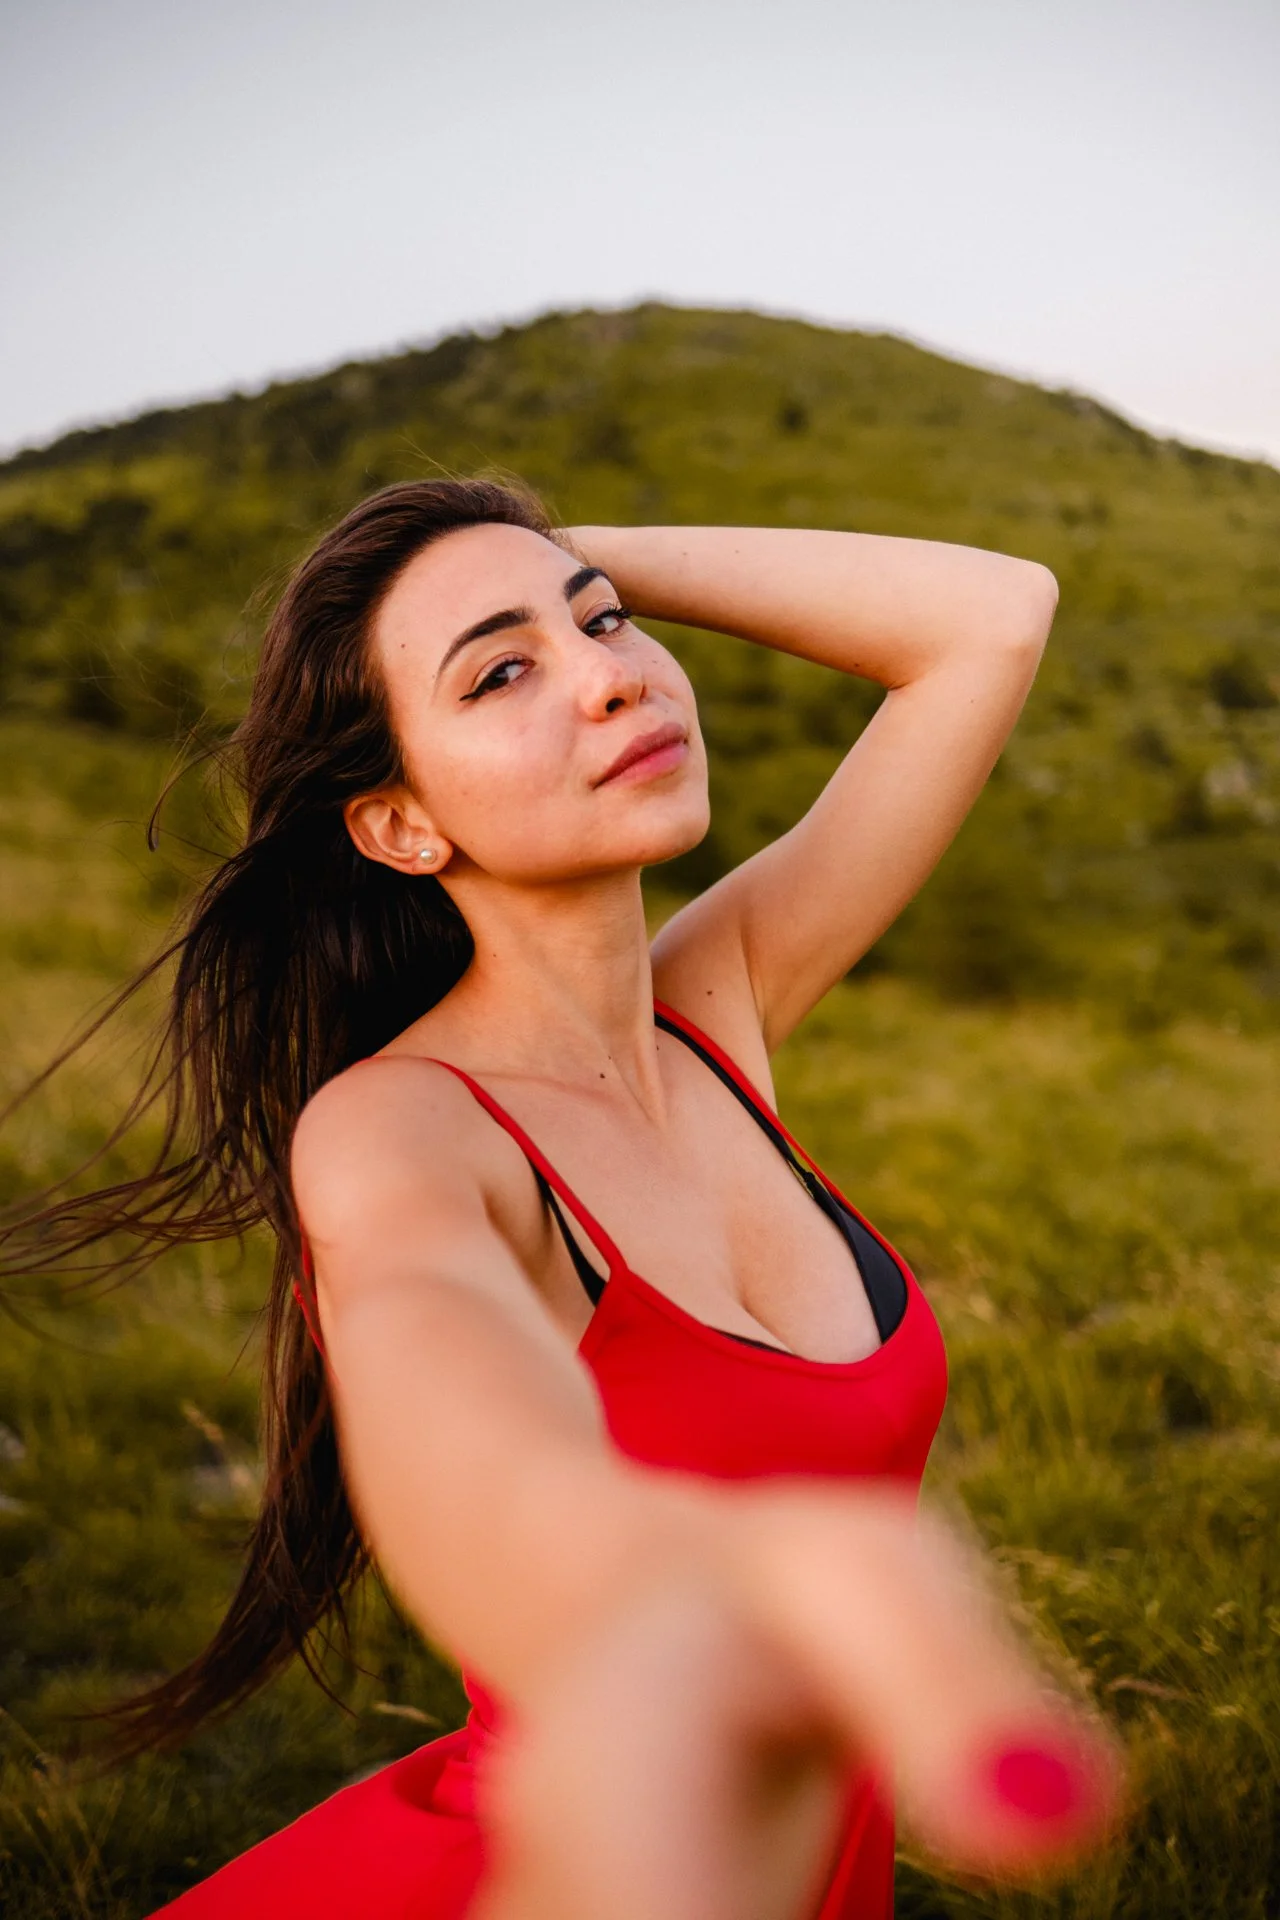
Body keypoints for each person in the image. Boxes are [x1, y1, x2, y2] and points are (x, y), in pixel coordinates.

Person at [5, 479, 1121, 1919]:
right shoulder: (396, 1130)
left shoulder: (720, 1010)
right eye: (503, 672)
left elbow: (991, 616)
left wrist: (564, 557)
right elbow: (445, 1389)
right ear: (403, 824)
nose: (610, 677)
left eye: (607, 627)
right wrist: (645, 1581)